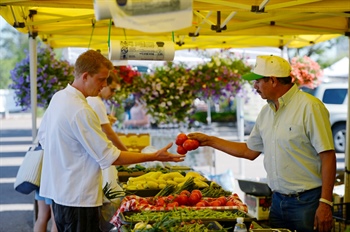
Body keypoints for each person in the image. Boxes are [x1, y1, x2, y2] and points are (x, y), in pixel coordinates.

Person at [37, 49, 185, 232]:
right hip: (78, 198)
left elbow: (42, 139)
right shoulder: (81, 110)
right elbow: (109, 157)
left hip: (61, 194)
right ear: (85, 76)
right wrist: (153, 156)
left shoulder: (59, 97)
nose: (104, 85)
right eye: (101, 79)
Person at [188, 55, 336, 232]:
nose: (254, 86)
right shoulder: (266, 112)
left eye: (257, 81)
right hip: (277, 201)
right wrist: (209, 140)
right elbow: (248, 152)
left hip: (307, 202)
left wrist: (325, 203)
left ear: (273, 80)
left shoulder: (310, 107)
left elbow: (328, 156)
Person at [87, 70, 128, 231]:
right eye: (112, 89)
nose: (111, 93)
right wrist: (129, 152)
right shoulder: (96, 102)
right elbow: (108, 133)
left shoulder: (89, 101)